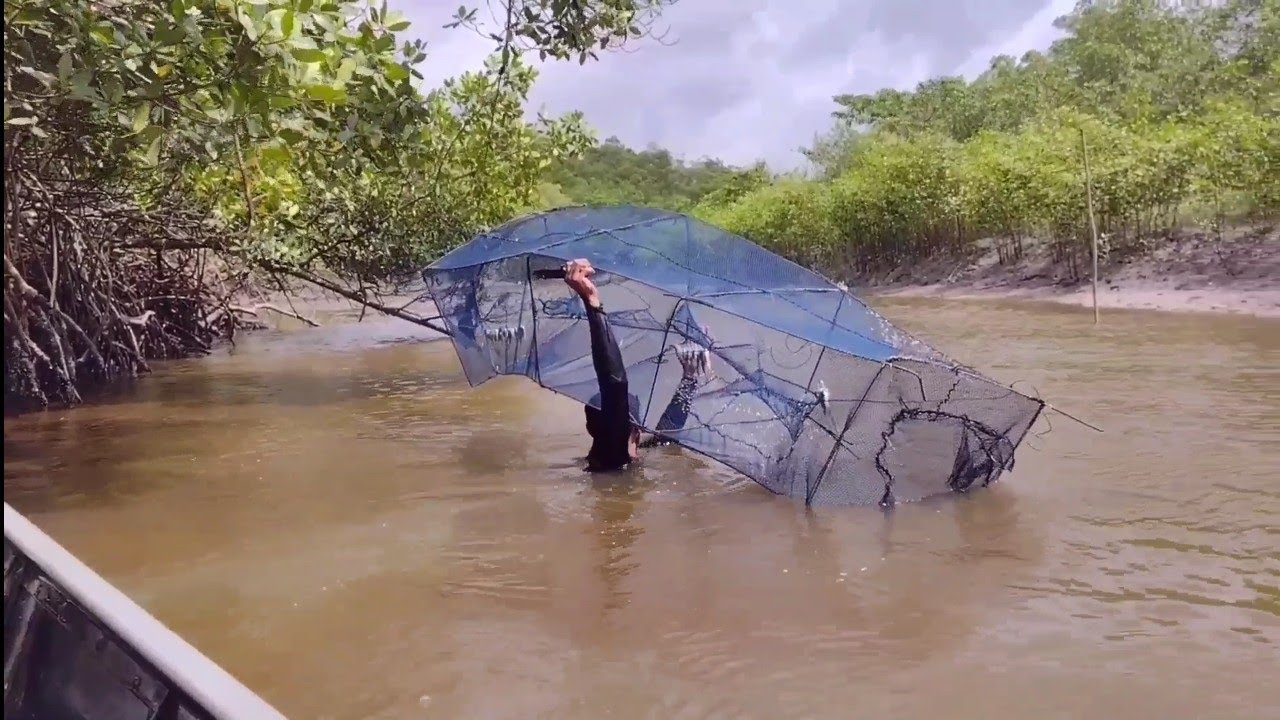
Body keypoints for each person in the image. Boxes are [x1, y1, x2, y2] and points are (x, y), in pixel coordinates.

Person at [563, 258, 706, 472]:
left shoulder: (608, 457)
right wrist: (592, 303)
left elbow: (666, 434)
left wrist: (689, 379)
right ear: (637, 432)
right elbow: (614, 384)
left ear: (589, 428)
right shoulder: (614, 458)